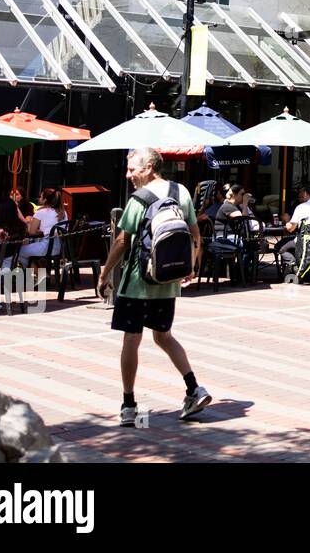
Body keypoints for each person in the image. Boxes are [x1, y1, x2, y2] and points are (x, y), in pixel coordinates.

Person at [98, 147, 210, 427]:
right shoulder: (180, 191)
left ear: (149, 167)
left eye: (132, 169)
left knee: (131, 340)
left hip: (138, 283)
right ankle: (194, 388)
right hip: (168, 282)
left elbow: (123, 241)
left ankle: (128, 405)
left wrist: (104, 273)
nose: (128, 175)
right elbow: (195, 235)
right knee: (164, 337)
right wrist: (192, 268)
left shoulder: (139, 198)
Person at [20, 187, 66, 265]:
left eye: (41, 196)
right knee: (33, 252)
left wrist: (28, 223)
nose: (39, 198)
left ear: (45, 200)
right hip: (58, 248)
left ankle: (28, 276)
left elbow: (31, 232)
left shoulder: (41, 212)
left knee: (20, 251)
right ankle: (42, 275)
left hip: (46, 247)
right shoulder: (63, 212)